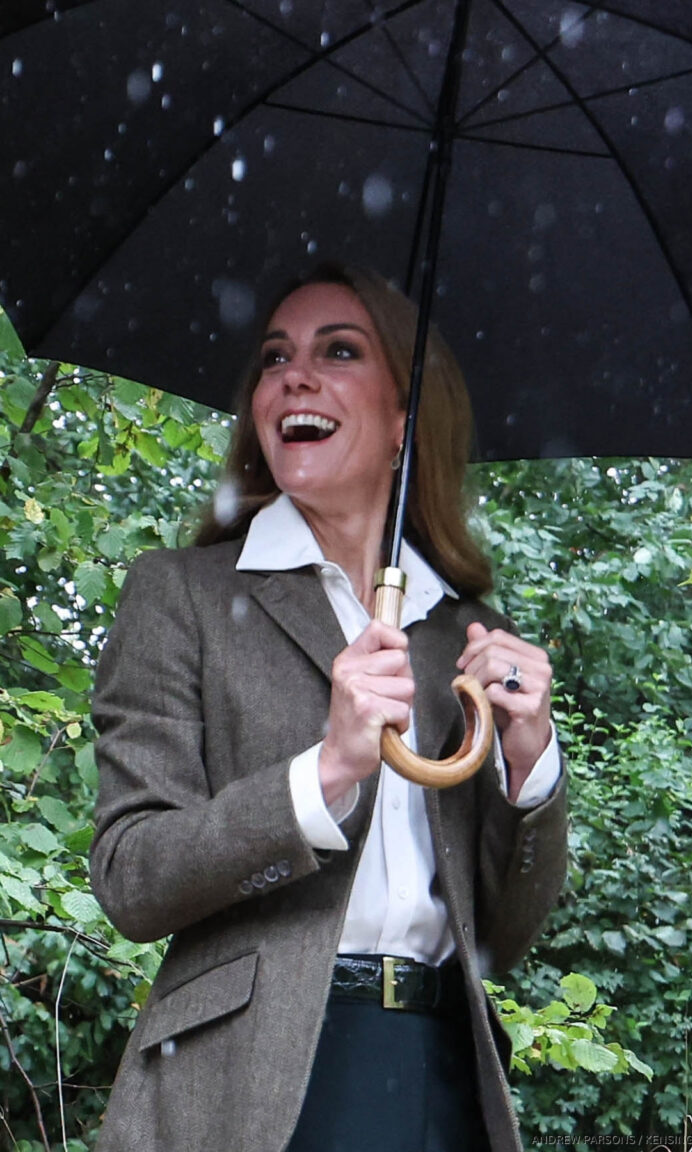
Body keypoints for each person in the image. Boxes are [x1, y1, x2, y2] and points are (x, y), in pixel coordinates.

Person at [89, 264, 567, 1152]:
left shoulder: (465, 636)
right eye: (275, 357)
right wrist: (325, 774)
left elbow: (504, 928)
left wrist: (530, 763)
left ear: (404, 419)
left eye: (337, 351)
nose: (293, 376)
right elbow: (130, 875)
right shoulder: (181, 597)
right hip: (250, 1081)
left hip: (439, 1076)